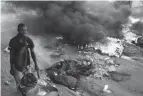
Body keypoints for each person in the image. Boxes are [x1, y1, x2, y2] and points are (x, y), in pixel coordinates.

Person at [8, 23, 39, 90]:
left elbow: (32, 52)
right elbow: (11, 56)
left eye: (25, 30)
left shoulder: (28, 40)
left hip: (27, 66)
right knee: (20, 87)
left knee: (29, 85)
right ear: (18, 30)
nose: (24, 32)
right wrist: (11, 68)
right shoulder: (13, 41)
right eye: (22, 30)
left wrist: (36, 64)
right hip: (17, 67)